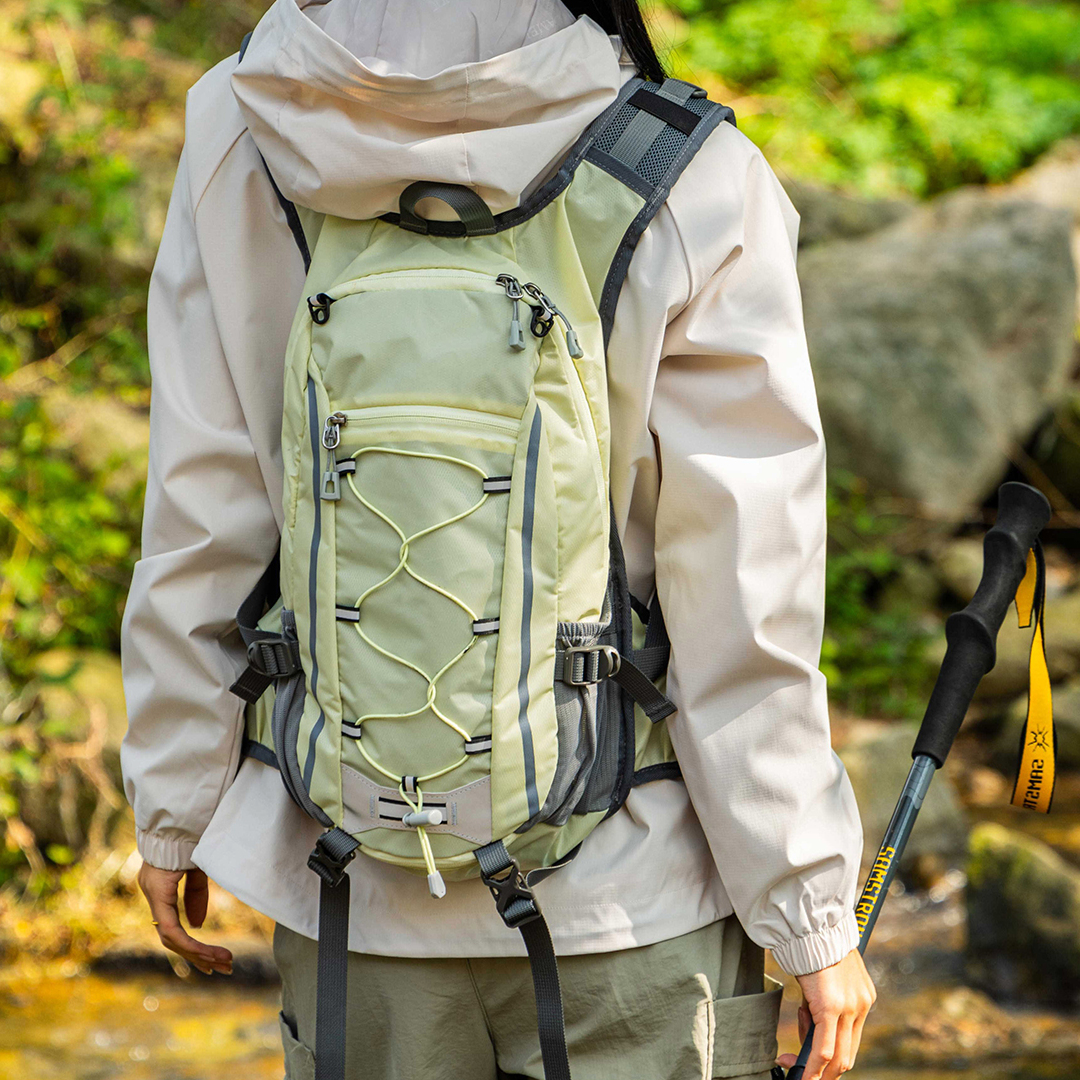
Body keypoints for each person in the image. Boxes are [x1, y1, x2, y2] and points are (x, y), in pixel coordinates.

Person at [120, 1, 874, 1078]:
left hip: (349, 894)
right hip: (630, 899)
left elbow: (201, 511)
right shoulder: (691, 170)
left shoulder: (242, 131)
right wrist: (807, 907)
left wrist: (175, 805)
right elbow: (743, 592)